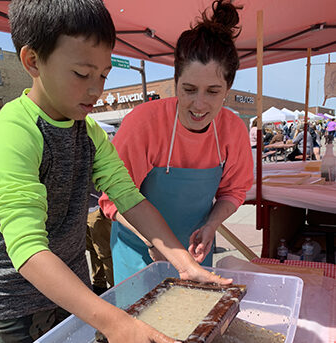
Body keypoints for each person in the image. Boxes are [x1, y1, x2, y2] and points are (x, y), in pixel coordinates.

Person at [0, 1, 233, 343]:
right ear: (33, 61)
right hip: (16, 303)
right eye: (82, 74)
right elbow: (28, 250)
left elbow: (131, 199)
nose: (96, 89)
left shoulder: (86, 131)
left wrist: (185, 264)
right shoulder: (12, 132)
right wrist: (116, 322)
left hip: (73, 288)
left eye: (102, 75)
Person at [99, 0, 253, 284]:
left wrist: (210, 225)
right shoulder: (144, 123)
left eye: (213, 91)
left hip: (195, 252)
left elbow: (234, 191)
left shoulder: (233, 130)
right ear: (175, 81)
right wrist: (154, 241)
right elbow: (113, 201)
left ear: (227, 90)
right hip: (138, 252)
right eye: (189, 89)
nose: (199, 104)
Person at [86, 184, 114, 295]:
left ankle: (115, 287)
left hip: (97, 208)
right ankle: (98, 285)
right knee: (92, 249)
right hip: (82, 208)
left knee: (105, 252)